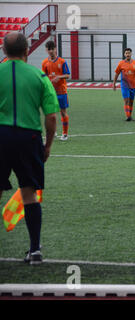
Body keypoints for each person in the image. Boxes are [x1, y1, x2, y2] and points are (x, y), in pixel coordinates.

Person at [0, 32, 59, 264]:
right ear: (27, 51)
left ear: (4, 51)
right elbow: (52, 118)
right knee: (29, 193)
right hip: (29, 139)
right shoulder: (39, 76)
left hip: (1, 136)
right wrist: (48, 145)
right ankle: (35, 250)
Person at [42, 40, 71, 141]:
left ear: (55, 49)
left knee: (63, 112)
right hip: (50, 92)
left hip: (61, 92)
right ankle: (52, 132)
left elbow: (67, 75)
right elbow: (44, 76)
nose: (50, 51)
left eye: (52, 49)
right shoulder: (45, 63)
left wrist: (59, 77)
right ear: (46, 50)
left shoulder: (62, 62)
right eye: (48, 49)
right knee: (50, 114)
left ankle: (65, 134)